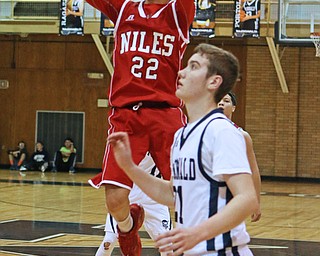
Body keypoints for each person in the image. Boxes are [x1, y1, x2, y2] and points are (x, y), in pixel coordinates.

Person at [107, 43, 259, 255]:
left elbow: (247, 198)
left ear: (214, 82)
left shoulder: (221, 131)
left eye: (193, 67)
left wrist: (196, 234)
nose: (181, 72)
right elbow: (172, 193)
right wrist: (130, 167)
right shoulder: (181, 135)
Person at [85, 0, 195, 255]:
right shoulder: (124, 8)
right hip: (126, 116)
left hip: (166, 115)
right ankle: (127, 228)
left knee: (188, 192)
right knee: (114, 200)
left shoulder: (177, 11)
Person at [95, 153, 172, 256]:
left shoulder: (166, 138)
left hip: (154, 192)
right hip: (128, 191)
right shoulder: (124, 139)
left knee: (167, 246)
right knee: (109, 240)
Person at [218, 92, 262, 222]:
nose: (221, 103)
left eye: (226, 101)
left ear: (233, 107)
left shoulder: (242, 136)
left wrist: (256, 202)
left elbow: (253, 170)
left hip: (231, 197)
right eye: (218, 100)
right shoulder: (200, 132)